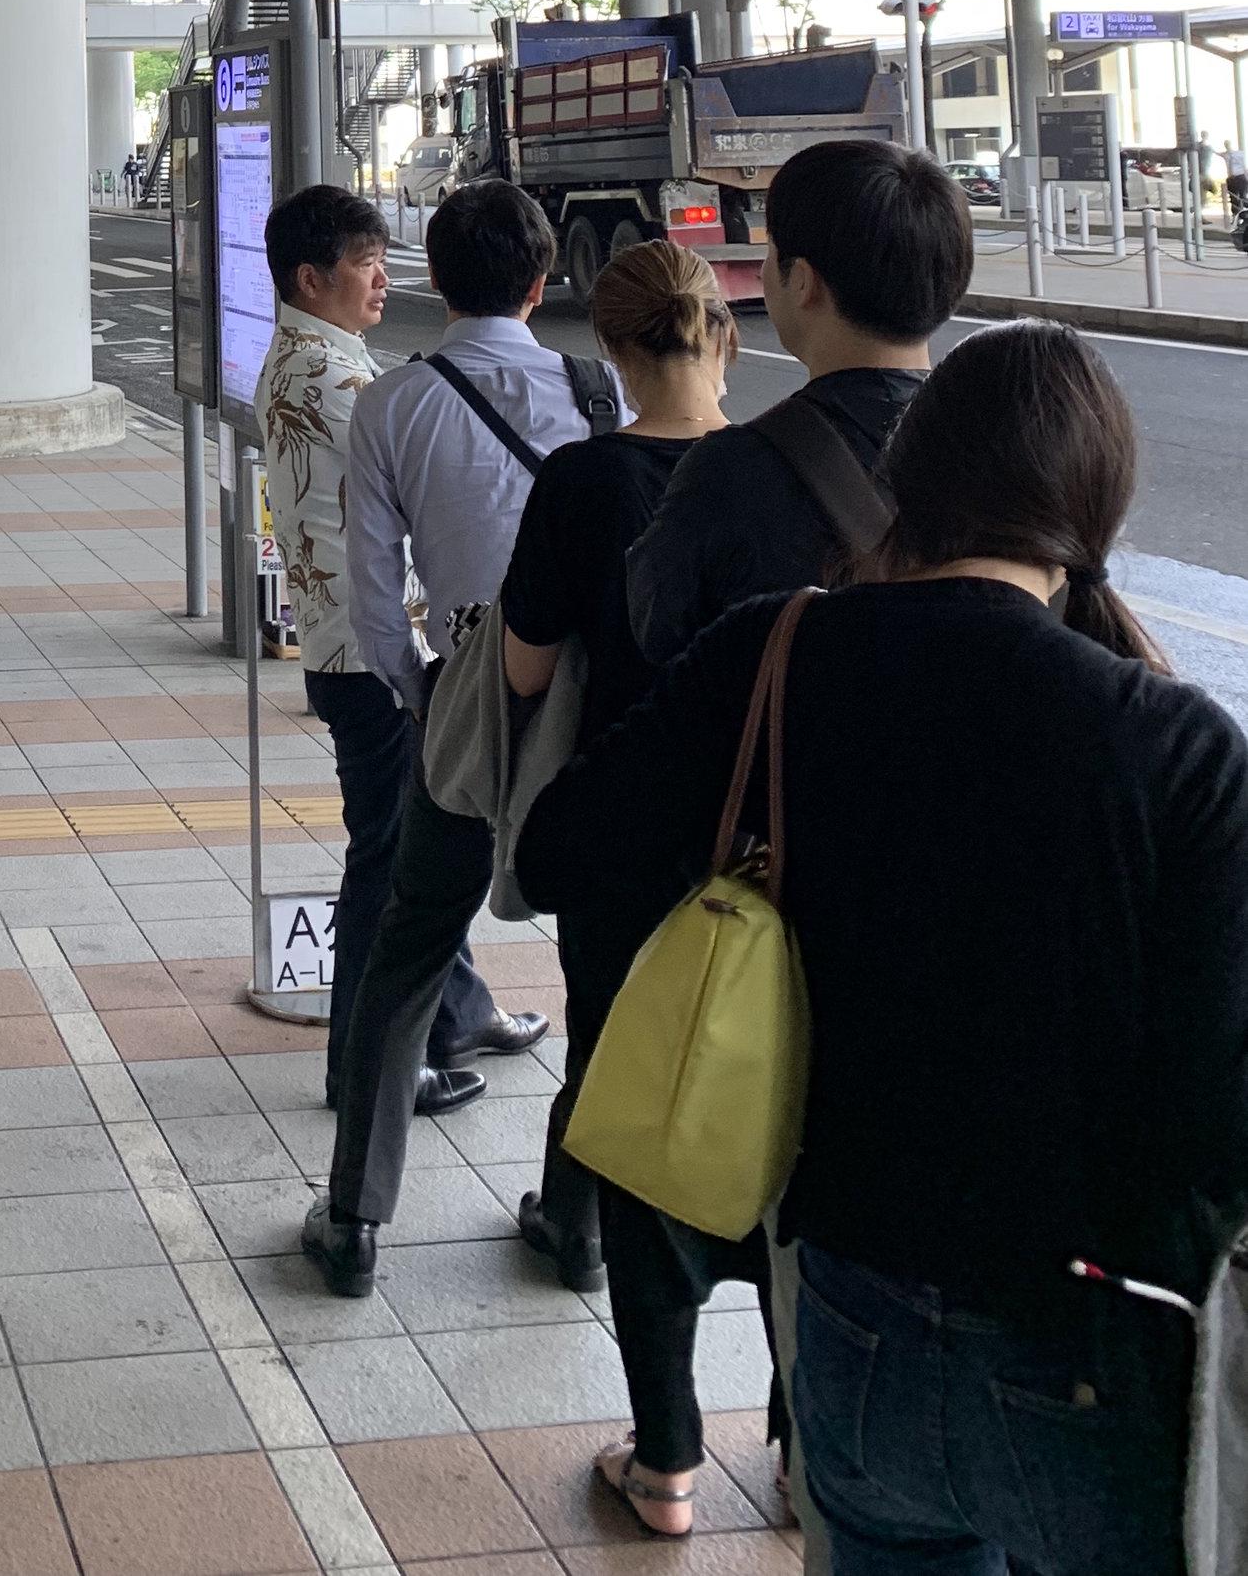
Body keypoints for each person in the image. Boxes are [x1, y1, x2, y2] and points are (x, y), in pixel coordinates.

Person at [522, 321, 1248, 1575]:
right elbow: (1215, 1119)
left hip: (851, 1326)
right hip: (1087, 1348)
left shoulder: (775, 652)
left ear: (908, 479)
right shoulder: (1174, 746)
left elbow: (556, 853)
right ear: (1094, 507)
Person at [301, 179, 618, 1297]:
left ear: (435, 278)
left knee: (409, 947)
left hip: (466, 695)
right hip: (587, 706)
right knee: (598, 958)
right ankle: (577, 1221)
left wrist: (422, 695)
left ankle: (355, 1221)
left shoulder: (393, 404)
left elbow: (372, 592)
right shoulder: (595, 389)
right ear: (542, 280)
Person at [498, 240, 755, 1522]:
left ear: (608, 347)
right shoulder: (776, 472)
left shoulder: (585, 479)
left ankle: (665, 1462)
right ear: (723, 336)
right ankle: (804, 1450)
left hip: (627, 836)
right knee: (784, 1099)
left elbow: (526, 670)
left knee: (629, 1093)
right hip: (771, 850)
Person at [628, 138, 972, 664]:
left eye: (771, 253)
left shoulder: (731, 471)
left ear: (805, 281)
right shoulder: (1009, 451)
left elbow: (659, 632)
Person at [254, 181, 415, 1110]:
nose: (382, 279)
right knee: (386, 860)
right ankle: (361, 1066)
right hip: (372, 650)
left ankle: (458, 1008)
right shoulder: (333, 377)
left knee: (408, 843)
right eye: (365, 264)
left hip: (345, 643)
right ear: (311, 278)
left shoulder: (309, 354)